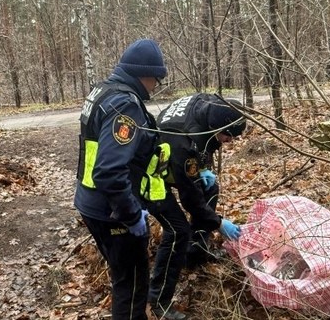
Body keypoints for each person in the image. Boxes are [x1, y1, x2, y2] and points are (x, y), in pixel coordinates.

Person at [74, 38, 168, 320]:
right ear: (145, 74)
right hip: (112, 211)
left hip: (91, 203)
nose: (155, 87)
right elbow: (109, 171)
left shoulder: (102, 91)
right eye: (156, 80)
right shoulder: (125, 105)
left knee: (123, 279)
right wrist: (131, 215)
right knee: (132, 287)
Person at [146, 93, 246, 320]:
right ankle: (158, 301)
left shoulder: (208, 104)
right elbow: (190, 200)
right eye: (227, 137)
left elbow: (203, 148)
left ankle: (197, 250)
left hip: (172, 161)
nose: (229, 142)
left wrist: (202, 168)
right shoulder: (185, 143)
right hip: (149, 178)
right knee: (177, 230)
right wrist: (219, 223)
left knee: (210, 188)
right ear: (216, 127)